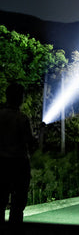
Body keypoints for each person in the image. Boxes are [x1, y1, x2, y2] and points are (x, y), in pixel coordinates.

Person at [0, 83, 34, 224]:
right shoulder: (22, 118)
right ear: (20, 98)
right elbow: (30, 142)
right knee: (18, 204)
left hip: (1, 163)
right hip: (19, 164)